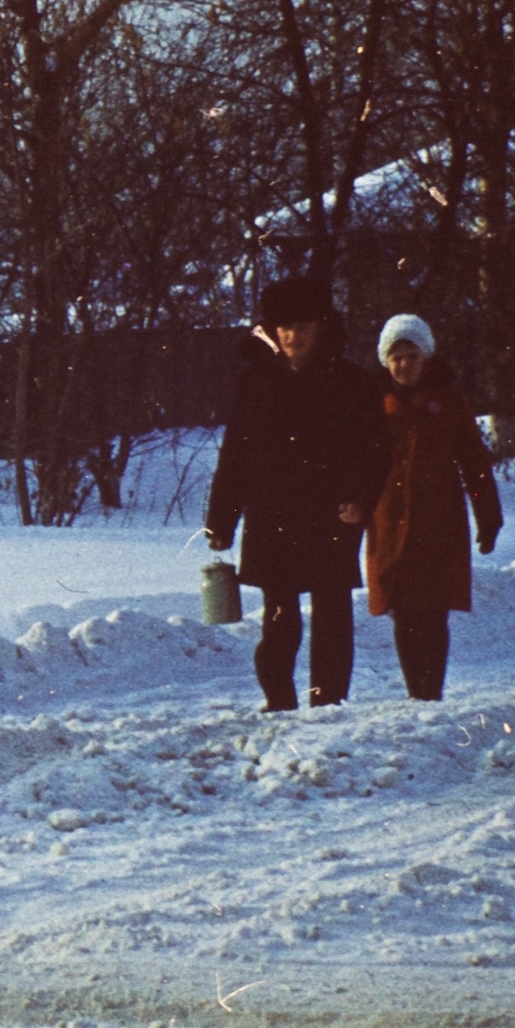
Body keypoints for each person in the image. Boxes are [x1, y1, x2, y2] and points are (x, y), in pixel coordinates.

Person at [205, 278, 388, 709]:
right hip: (273, 516)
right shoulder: (257, 383)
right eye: (284, 327)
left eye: (303, 326)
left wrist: (361, 502)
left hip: (333, 515)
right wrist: (221, 520)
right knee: (278, 616)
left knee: (332, 614)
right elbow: (235, 455)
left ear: (322, 326)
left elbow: (378, 453)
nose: (293, 336)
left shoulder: (353, 383)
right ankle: (279, 701)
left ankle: (327, 702)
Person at [366, 314, 502, 700]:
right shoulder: (372, 405)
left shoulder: (450, 402)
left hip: (438, 523)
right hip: (390, 521)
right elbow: (355, 463)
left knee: (433, 610)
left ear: (425, 358)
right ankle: (416, 692)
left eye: (412, 356)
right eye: (396, 357)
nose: (404, 365)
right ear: (386, 361)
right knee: (402, 610)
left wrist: (488, 518)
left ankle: (431, 692)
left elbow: (474, 465)